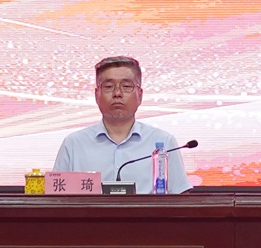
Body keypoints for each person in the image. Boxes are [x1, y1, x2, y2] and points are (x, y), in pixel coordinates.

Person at [52, 55, 190, 193]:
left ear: (140, 95)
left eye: (126, 86)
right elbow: (56, 198)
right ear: (96, 95)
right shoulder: (74, 144)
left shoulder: (164, 142)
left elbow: (181, 198)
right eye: (108, 87)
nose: (117, 93)